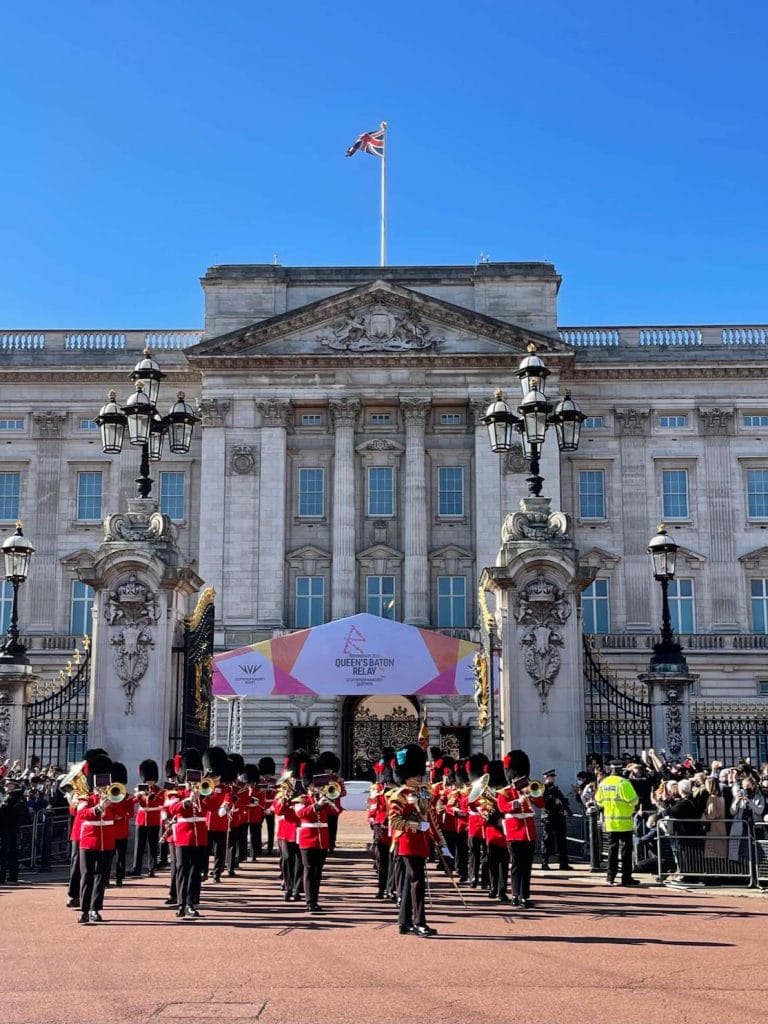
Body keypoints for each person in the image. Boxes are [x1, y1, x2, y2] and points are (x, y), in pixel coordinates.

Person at [388, 742, 448, 937]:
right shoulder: (399, 796)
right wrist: (415, 826)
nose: (418, 776)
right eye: (415, 774)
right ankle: (419, 922)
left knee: (408, 882)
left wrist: (442, 844)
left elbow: (431, 819)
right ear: (407, 775)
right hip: (407, 843)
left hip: (421, 843)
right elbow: (395, 821)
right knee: (417, 882)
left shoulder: (422, 792)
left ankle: (404, 922)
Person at [167, 748, 213, 919]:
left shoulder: (203, 790)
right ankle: (180, 903)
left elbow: (212, 807)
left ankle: (191, 904)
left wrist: (201, 796)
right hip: (182, 835)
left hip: (199, 835)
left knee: (195, 872)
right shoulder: (176, 791)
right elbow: (172, 808)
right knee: (181, 869)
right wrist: (186, 802)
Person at [496, 749, 545, 907]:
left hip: (529, 832)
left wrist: (530, 794)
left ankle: (525, 895)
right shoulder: (505, 791)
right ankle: (515, 895)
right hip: (514, 831)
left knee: (527, 865)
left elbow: (541, 804)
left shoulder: (530, 787)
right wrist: (517, 802)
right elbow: (503, 808)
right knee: (517, 864)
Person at [293, 763, 341, 913]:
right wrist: (317, 805)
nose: (318, 788)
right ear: (309, 785)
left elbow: (336, 813)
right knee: (309, 869)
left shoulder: (323, 798)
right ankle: (310, 902)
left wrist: (329, 802)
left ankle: (315, 900)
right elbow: (301, 814)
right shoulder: (301, 799)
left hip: (322, 840)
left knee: (318, 872)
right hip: (307, 839)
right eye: (315, 785)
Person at [76, 755, 119, 923]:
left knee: (101, 877)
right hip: (88, 841)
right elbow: (82, 814)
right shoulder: (85, 798)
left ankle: (95, 909)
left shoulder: (113, 798)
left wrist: (112, 803)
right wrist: (99, 807)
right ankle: (84, 910)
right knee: (87, 876)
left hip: (106, 842)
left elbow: (122, 814)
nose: (103, 787)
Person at [595, 758, 640, 886]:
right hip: (624, 822)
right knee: (626, 852)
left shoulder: (604, 783)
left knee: (612, 850)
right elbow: (634, 800)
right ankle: (626, 878)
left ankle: (610, 877)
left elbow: (598, 801)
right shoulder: (623, 783)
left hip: (610, 822)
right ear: (621, 769)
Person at [131, 758, 164, 877]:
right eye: (148, 780)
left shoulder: (159, 791)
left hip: (153, 820)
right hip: (141, 820)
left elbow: (162, 802)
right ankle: (136, 868)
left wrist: (152, 796)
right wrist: (138, 795)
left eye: (151, 780)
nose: (149, 782)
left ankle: (152, 868)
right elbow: (133, 801)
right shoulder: (140, 788)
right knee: (139, 845)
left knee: (152, 846)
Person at [540, 769, 572, 870]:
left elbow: (563, 801)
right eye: (551, 777)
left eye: (553, 777)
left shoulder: (555, 789)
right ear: (546, 777)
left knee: (562, 841)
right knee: (546, 840)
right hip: (548, 816)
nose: (553, 778)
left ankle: (563, 863)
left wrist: (567, 810)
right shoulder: (543, 788)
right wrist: (552, 800)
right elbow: (542, 801)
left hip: (558, 817)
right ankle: (544, 862)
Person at [0, 777, 30, 885]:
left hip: (6, 828)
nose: (6, 786)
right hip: (13, 828)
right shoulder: (20, 798)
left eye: (8, 785)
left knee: (4, 853)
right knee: (12, 853)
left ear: (13, 786)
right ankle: (13, 876)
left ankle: (2, 876)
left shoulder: (12, 798)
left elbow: (4, 812)